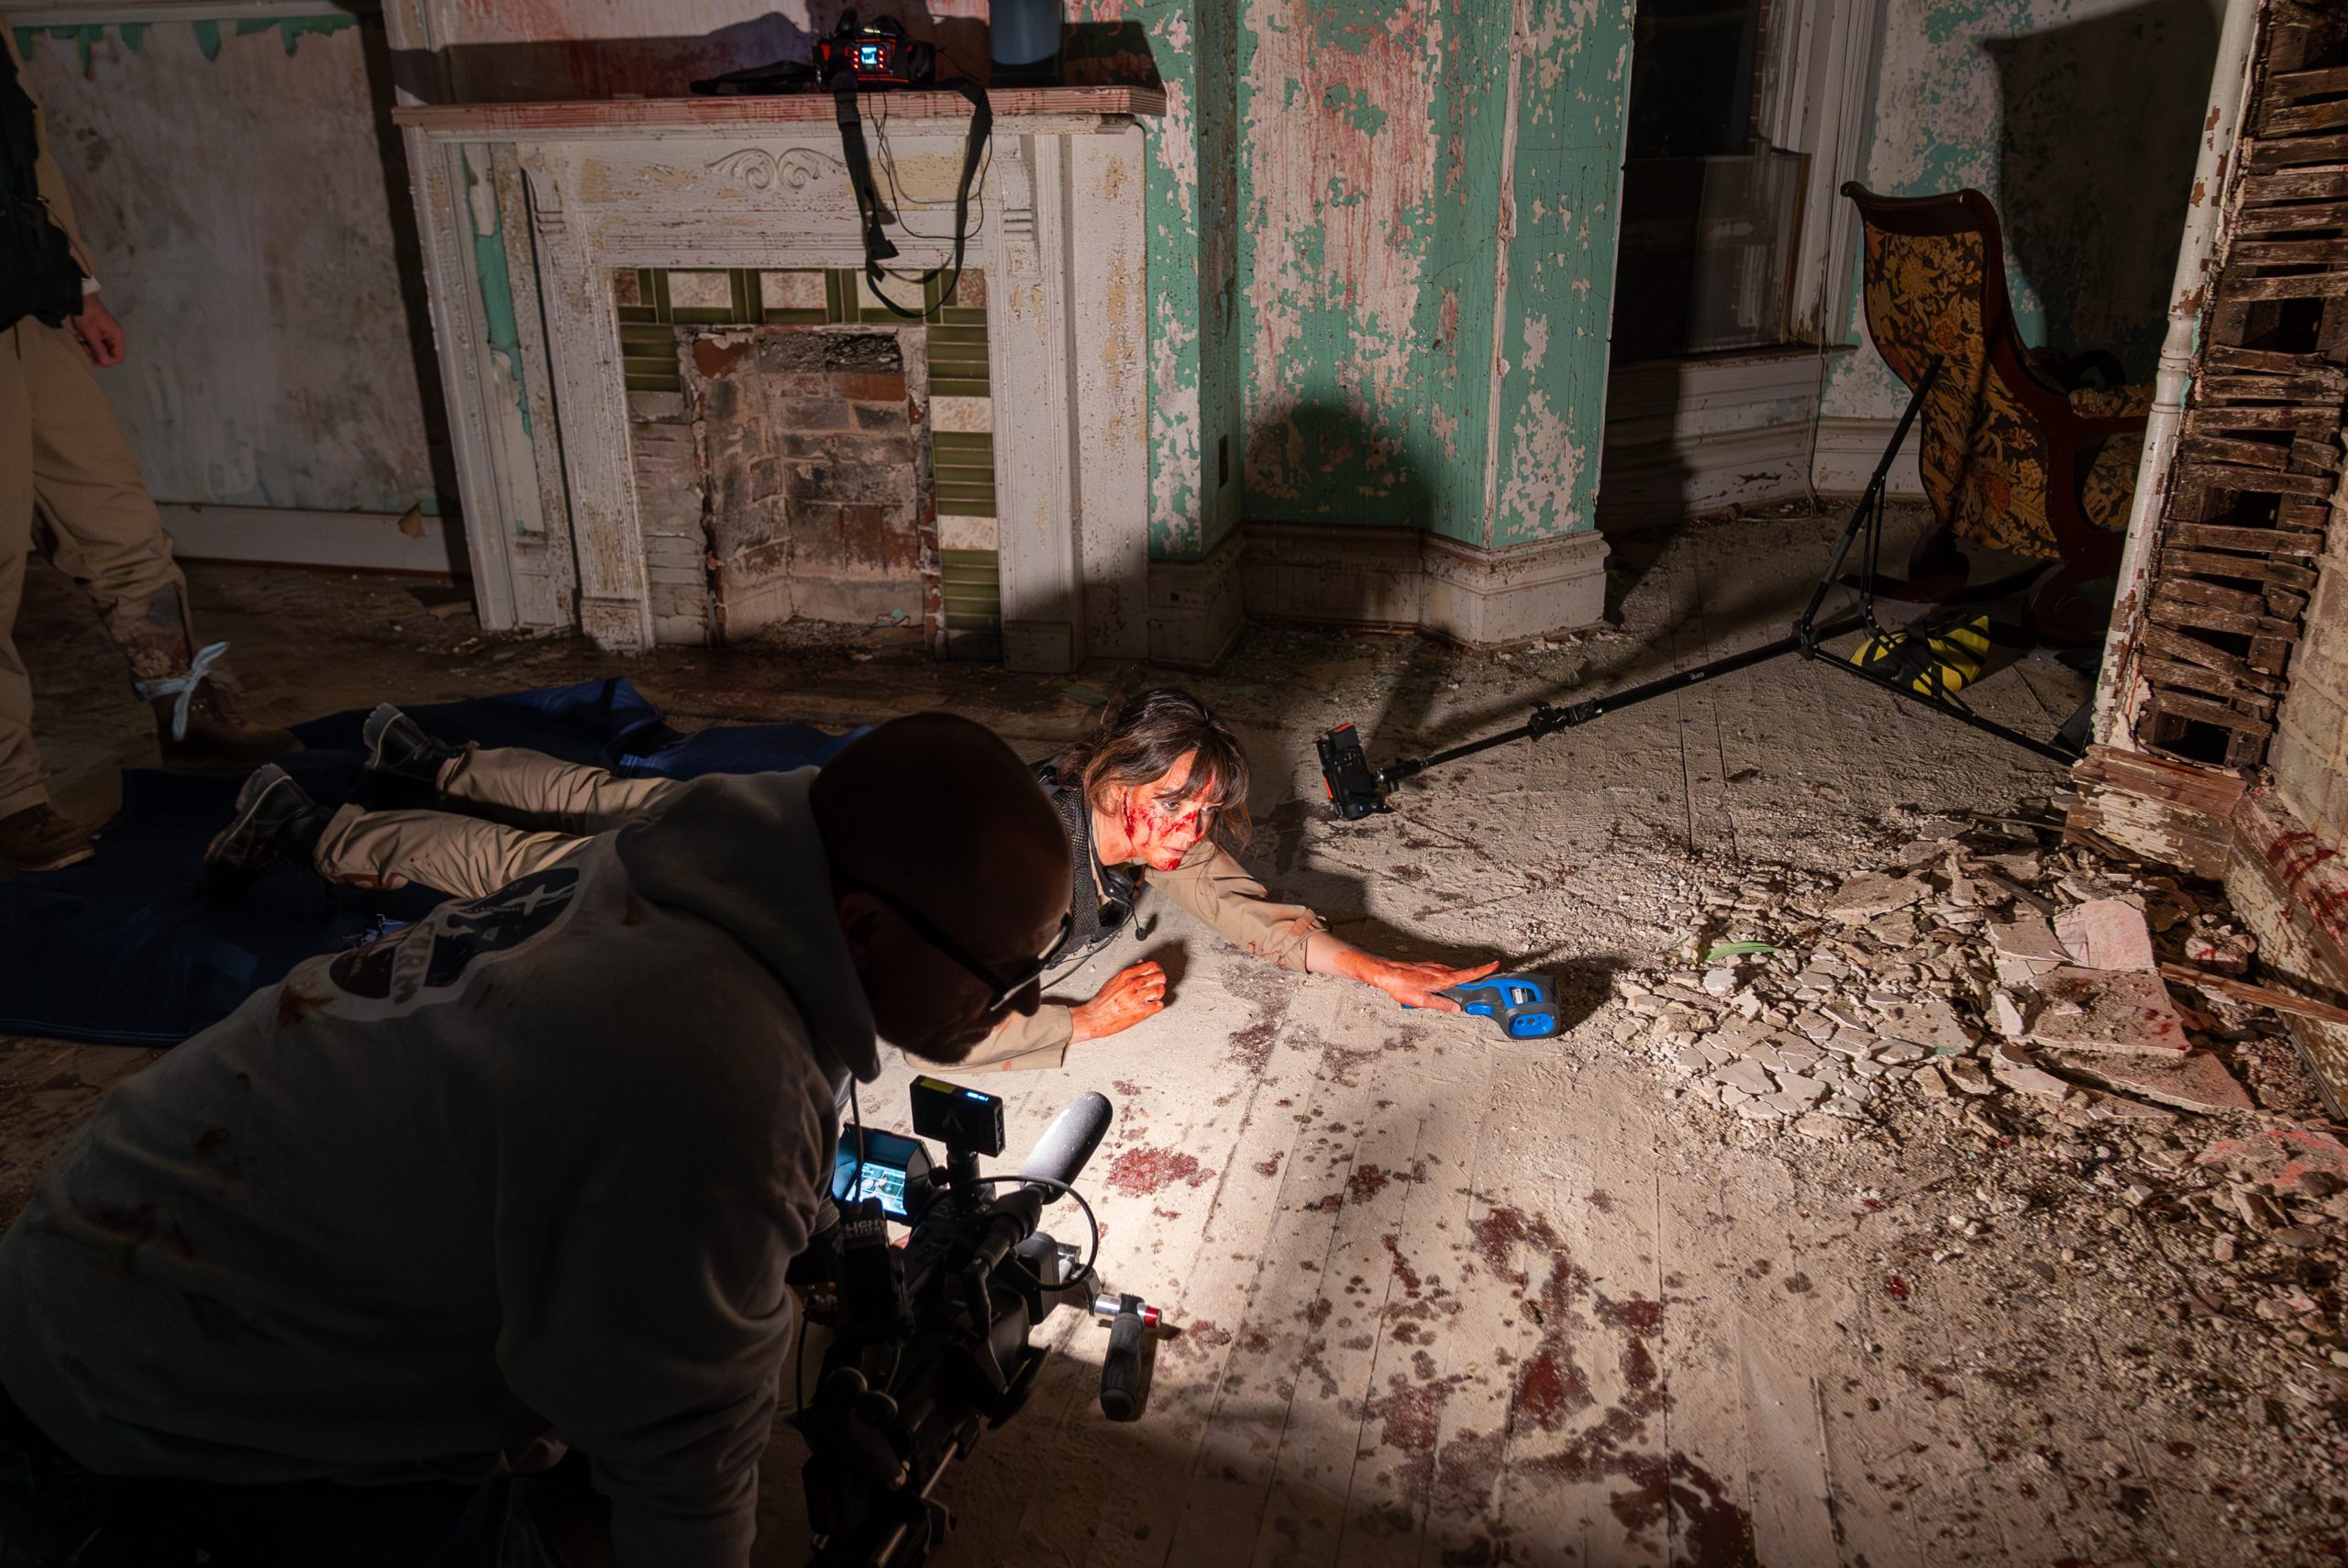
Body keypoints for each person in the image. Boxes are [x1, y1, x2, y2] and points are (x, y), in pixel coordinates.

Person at [0, 712, 1072, 1566]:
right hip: (150, 1409)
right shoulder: (714, 1075)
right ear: (865, 930)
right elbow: (685, 1471)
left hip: (113, 1233)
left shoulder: (709, 871)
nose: (1022, 1002)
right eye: (1006, 975)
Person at [205, 690, 1500, 1071]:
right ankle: (322, 827)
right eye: (1177, 805)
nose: (1192, 832)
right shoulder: (1028, 871)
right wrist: (1076, 1026)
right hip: (768, 882)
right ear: (1115, 781)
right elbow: (945, 1023)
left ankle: (426, 759)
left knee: (610, 796)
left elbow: (1241, 907)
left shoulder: (1137, 835)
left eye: (1203, 813)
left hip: (807, 818)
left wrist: (1375, 967)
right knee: (543, 863)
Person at [1, 28, 296, 874]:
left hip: (24, 298)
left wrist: (79, 283)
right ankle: (9, 798)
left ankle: (188, 714)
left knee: (118, 521)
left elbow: (26, 151)